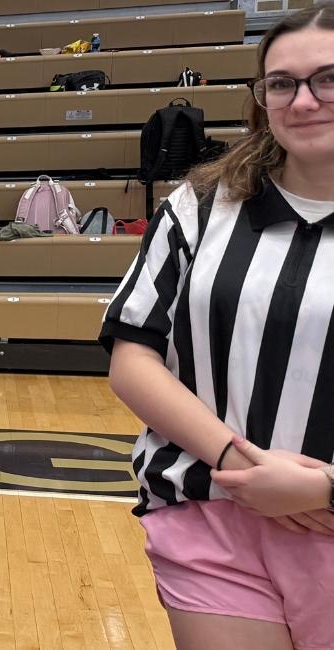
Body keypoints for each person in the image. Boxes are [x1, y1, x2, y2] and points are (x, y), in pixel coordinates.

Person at [102, 5, 334, 648]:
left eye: (328, 78)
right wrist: (242, 466)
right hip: (212, 512)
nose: (305, 100)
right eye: (282, 84)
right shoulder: (202, 206)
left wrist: (322, 488)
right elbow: (133, 354)